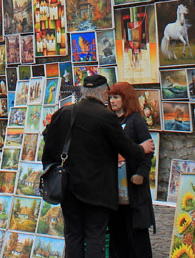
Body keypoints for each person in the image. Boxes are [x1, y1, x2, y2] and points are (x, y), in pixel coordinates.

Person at [41, 75, 143, 258]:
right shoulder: (105, 117)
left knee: (73, 235)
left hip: (69, 187)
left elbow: (48, 148)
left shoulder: (64, 113)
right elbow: (127, 149)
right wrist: (141, 149)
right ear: (104, 92)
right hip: (97, 189)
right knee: (95, 235)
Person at [107, 82, 156, 258]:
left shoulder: (136, 121)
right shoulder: (110, 121)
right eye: (110, 97)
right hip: (115, 187)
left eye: (116, 97)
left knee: (136, 232)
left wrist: (141, 174)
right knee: (117, 232)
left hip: (133, 187)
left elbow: (149, 151)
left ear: (125, 99)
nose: (112, 101)